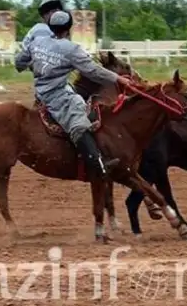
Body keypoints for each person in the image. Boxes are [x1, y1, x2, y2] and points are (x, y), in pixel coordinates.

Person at [15, 10, 133, 179]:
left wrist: (36, 65)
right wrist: (118, 79)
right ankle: (98, 163)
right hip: (57, 96)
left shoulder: (37, 42)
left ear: (50, 26)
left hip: (40, 91)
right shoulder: (71, 49)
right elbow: (93, 71)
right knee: (79, 121)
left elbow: (19, 63)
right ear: (69, 29)